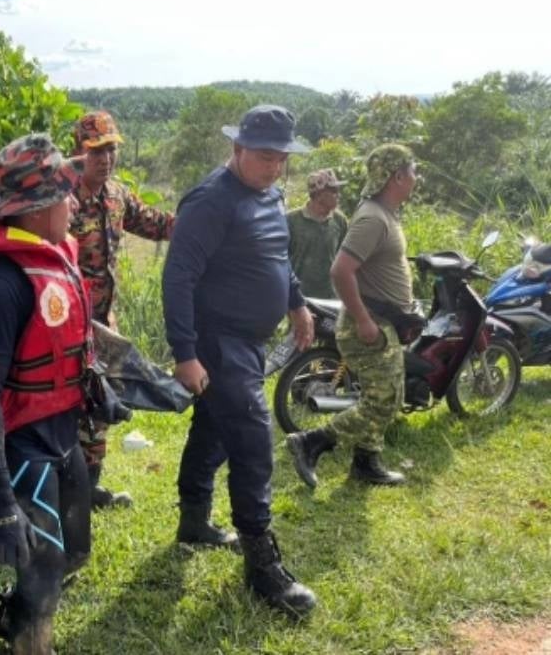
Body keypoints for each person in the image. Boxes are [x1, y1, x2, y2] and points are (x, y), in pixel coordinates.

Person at [162, 105, 317, 618]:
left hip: (250, 341)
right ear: (237, 149)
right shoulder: (211, 201)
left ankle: (194, 520)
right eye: (265, 156)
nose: (275, 166)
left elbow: (277, 256)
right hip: (218, 342)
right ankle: (262, 564)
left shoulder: (267, 193)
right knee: (252, 441)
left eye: (282, 158)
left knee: (213, 431)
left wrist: (296, 303)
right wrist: (185, 353)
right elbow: (178, 277)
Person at [0, 133, 91, 653]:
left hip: (61, 433)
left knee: (75, 550)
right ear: (36, 210)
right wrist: (1, 503)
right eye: (65, 196)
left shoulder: (54, 254)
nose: (74, 205)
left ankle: (12, 614)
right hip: (20, 444)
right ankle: (30, 644)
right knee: (45, 565)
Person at [287, 144, 417, 489]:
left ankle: (366, 461)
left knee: (389, 394)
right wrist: (363, 319)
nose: (416, 178)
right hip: (369, 322)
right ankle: (311, 441)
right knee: (382, 399)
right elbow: (341, 270)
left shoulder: (384, 213)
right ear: (397, 176)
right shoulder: (373, 217)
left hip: (384, 319)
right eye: (412, 171)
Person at [69, 110, 174, 510]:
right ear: (78, 152)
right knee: (65, 407)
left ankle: (89, 487)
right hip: (65, 325)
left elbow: (154, 223)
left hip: (103, 325)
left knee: (99, 404)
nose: (106, 158)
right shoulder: (62, 199)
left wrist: (199, 222)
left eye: (111, 149)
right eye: (97, 150)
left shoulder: (116, 194)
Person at [286, 168, 349, 298]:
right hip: (300, 297)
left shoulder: (340, 221)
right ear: (320, 195)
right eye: (334, 191)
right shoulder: (291, 221)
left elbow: (343, 258)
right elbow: (282, 260)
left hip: (331, 296)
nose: (338, 195)